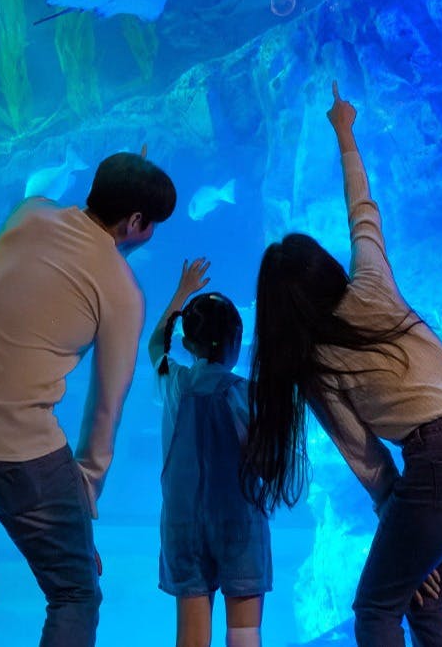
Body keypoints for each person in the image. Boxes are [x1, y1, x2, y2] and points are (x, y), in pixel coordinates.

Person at [240, 82, 442, 646]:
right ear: (325, 270)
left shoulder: (314, 366)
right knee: (430, 595)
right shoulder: (372, 283)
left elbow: (369, 462)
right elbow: (362, 212)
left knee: (376, 608)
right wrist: (345, 131)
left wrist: (401, 521)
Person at [0, 151, 176, 647]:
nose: (150, 234)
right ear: (136, 222)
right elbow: (104, 408)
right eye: (151, 223)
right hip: (14, 446)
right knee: (75, 592)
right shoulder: (121, 289)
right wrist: (84, 498)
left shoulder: (30, 213)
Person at [147, 258, 272, 647]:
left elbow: (156, 345)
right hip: (240, 525)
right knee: (244, 633)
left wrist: (182, 292)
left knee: (191, 638)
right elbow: (266, 463)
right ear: (238, 342)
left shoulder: (175, 383)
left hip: (183, 527)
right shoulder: (246, 394)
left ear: (187, 344)